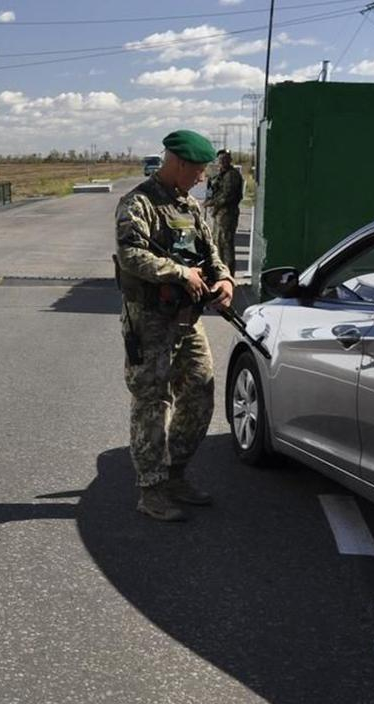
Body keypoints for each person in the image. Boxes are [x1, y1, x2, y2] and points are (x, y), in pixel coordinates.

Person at [114, 130, 235, 522]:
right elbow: (131, 254)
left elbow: (211, 250)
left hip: (187, 320)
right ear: (178, 164)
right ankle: (151, 490)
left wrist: (225, 280)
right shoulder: (138, 203)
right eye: (198, 170)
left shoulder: (190, 206)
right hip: (150, 322)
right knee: (152, 402)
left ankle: (176, 474)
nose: (202, 177)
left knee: (201, 391)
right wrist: (180, 273)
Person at [203, 150, 244, 280]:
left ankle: (229, 276)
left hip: (227, 214)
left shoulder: (232, 175)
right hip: (218, 214)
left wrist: (211, 203)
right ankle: (220, 274)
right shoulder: (221, 174)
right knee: (217, 243)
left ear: (230, 160)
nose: (222, 162)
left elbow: (228, 196)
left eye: (225, 159)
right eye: (220, 159)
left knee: (226, 245)